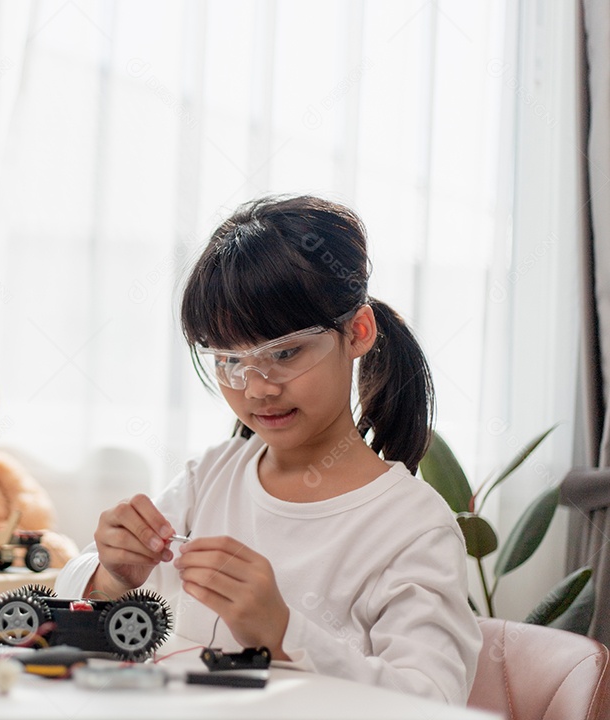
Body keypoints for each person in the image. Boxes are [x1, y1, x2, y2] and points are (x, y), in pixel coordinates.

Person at [54, 195, 481, 705]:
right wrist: (113, 574)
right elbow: (70, 595)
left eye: (284, 353)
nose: (257, 388)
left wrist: (283, 632)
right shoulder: (210, 475)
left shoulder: (412, 527)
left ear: (358, 332)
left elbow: (430, 701)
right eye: (230, 359)